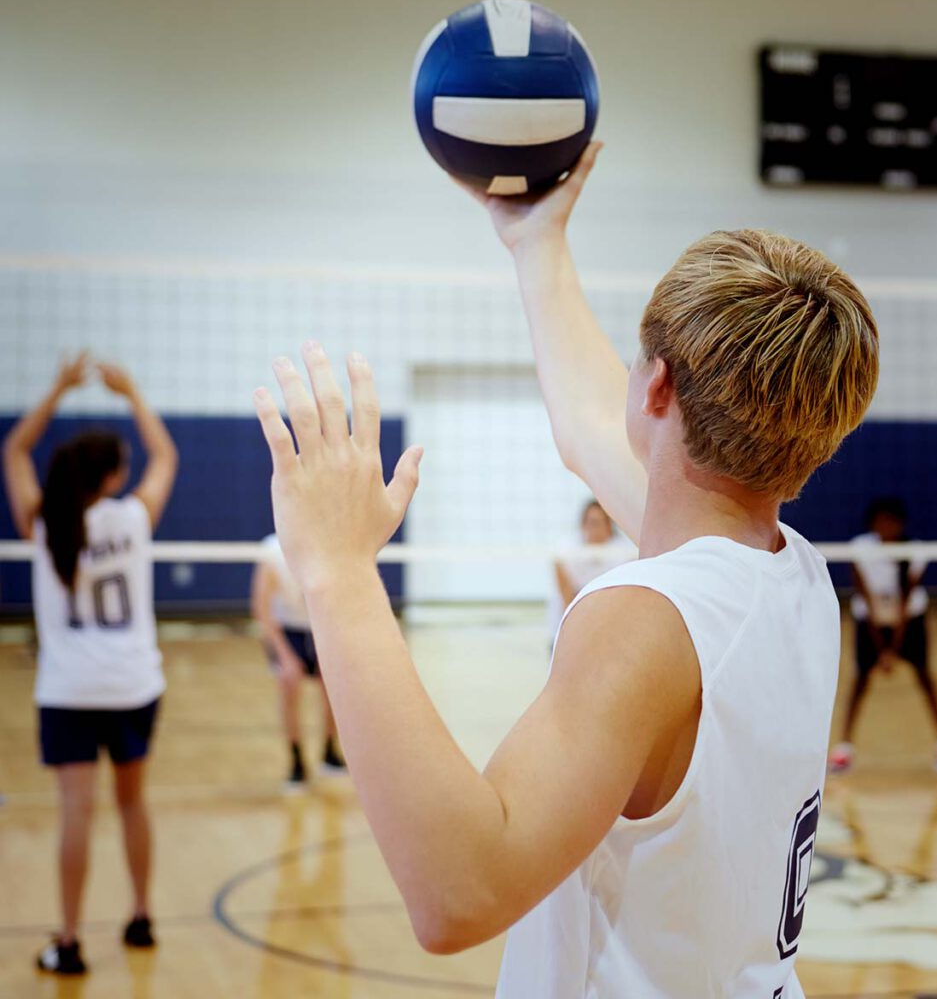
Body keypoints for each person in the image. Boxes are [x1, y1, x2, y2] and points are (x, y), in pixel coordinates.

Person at [252, 143, 878, 997]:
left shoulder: (645, 621)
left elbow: (458, 893)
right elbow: (593, 428)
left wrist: (337, 572)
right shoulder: (793, 575)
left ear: (654, 387)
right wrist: (537, 241)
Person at [2, 353, 177, 975]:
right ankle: (140, 916)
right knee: (133, 803)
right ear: (110, 478)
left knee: (76, 811)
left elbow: (16, 451)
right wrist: (131, 392)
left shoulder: (45, 523)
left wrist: (56, 389)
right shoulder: (133, 519)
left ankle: (70, 940)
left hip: (70, 690)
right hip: (132, 684)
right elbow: (167, 456)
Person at [828, 497, 937, 774]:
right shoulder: (859, 548)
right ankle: (843, 749)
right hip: (871, 623)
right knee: (860, 682)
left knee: (925, 677)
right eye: (881, 521)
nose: (886, 527)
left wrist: (893, 648)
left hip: (908, 623)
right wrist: (881, 648)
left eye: (892, 521)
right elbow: (863, 594)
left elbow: (905, 601)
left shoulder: (914, 551)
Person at [250, 533, 346, 789]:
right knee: (289, 683)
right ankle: (296, 761)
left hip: (321, 627)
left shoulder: (330, 545)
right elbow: (261, 608)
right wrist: (284, 655)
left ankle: (329, 750)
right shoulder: (272, 550)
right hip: (287, 630)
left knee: (332, 690)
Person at [549, 499, 624, 641]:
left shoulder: (623, 552)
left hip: (606, 629)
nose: (593, 529)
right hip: (568, 627)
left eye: (597, 523)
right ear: (582, 525)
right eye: (589, 523)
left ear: (609, 526)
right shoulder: (567, 549)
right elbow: (566, 595)